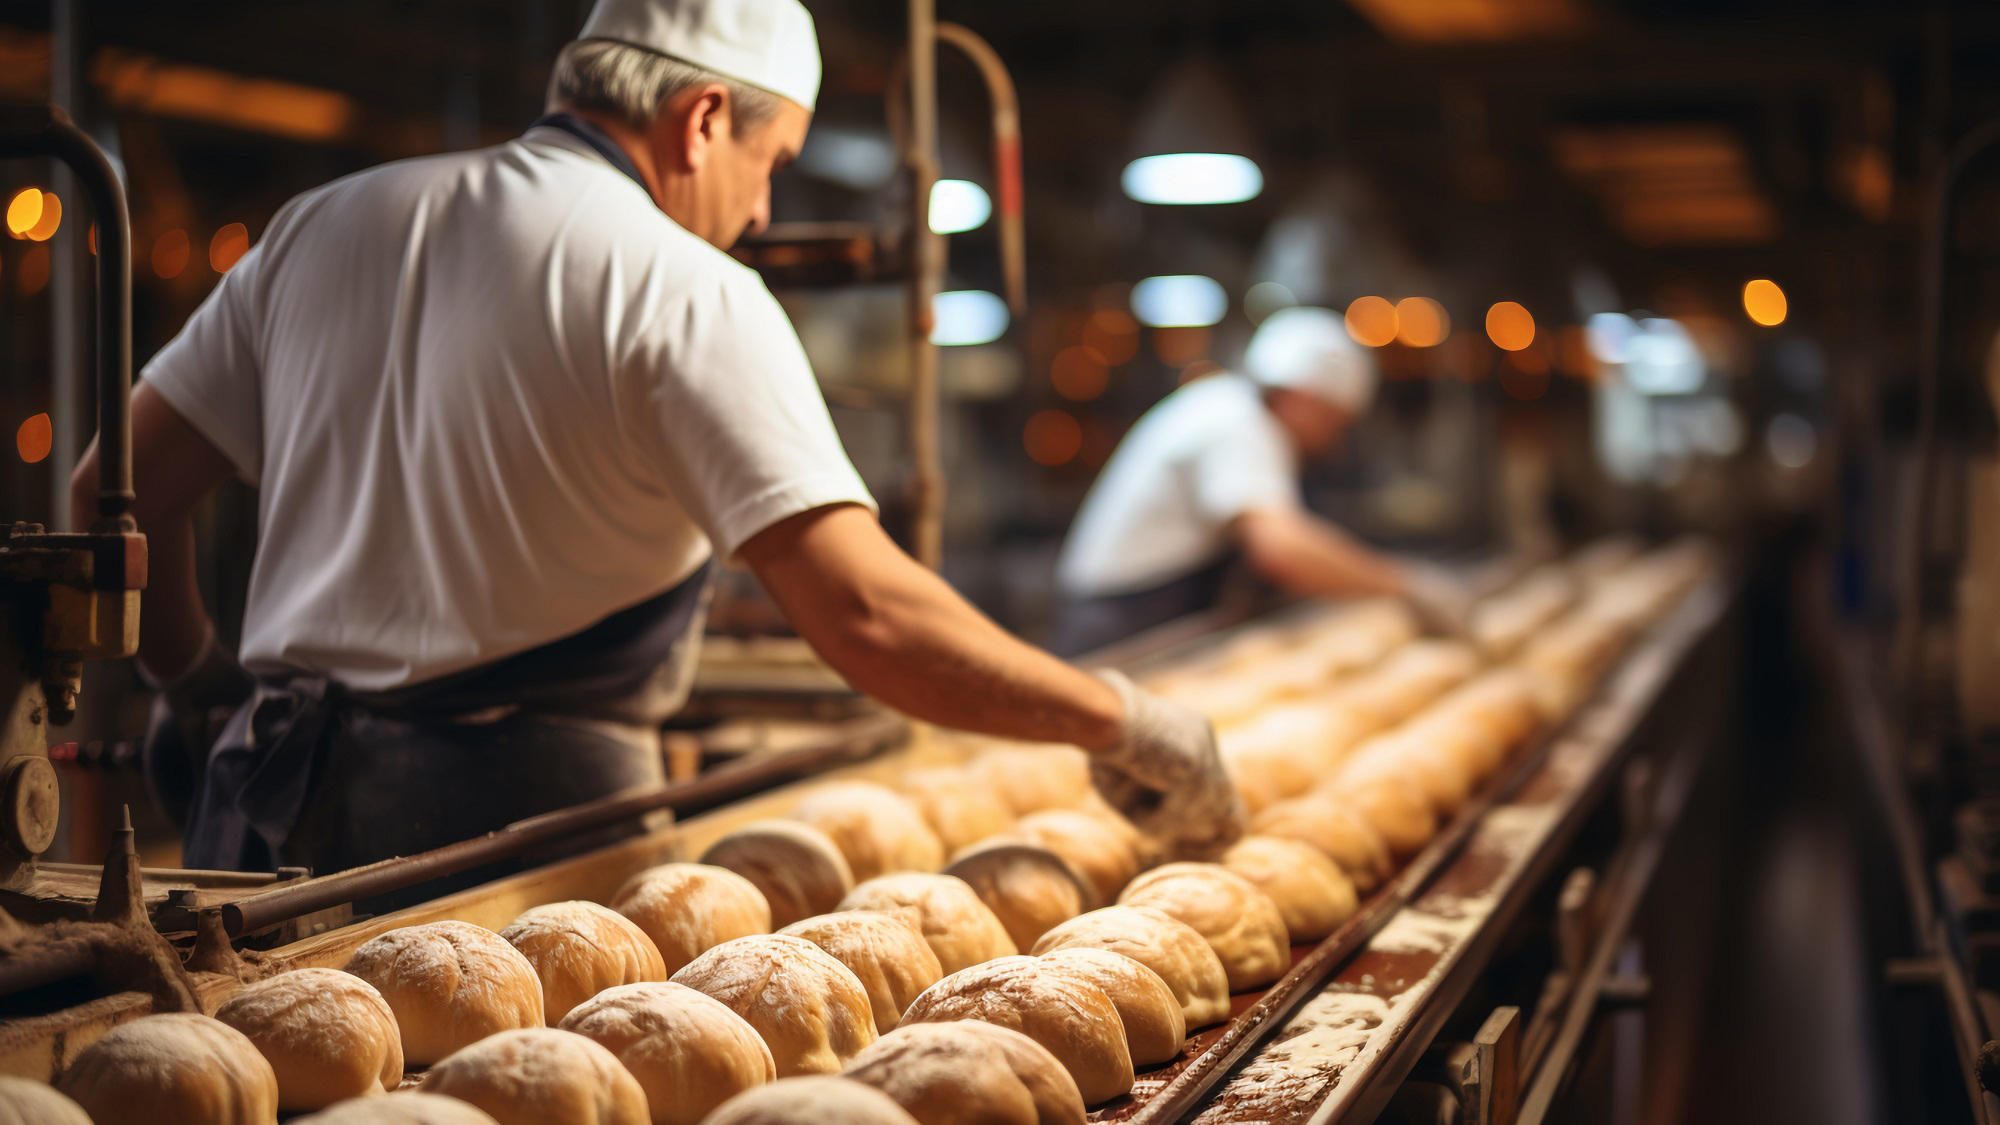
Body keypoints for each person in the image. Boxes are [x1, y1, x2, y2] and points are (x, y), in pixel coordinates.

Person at [70, 0, 1240, 885]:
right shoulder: (683, 288)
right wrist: (1120, 720)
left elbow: (106, 499)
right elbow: (867, 618)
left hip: (260, 820)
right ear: (702, 119)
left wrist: (197, 681)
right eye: (770, 168)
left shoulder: (324, 224)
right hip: (518, 853)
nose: (764, 215)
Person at [1052, 306, 1465, 656]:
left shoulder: (1229, 407)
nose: (1334, 442)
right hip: (1122, 626)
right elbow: (1281, 549)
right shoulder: (1236, 422)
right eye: (1335, 423)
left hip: (1145, 613)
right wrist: (1403, 584)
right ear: (1305, 397)